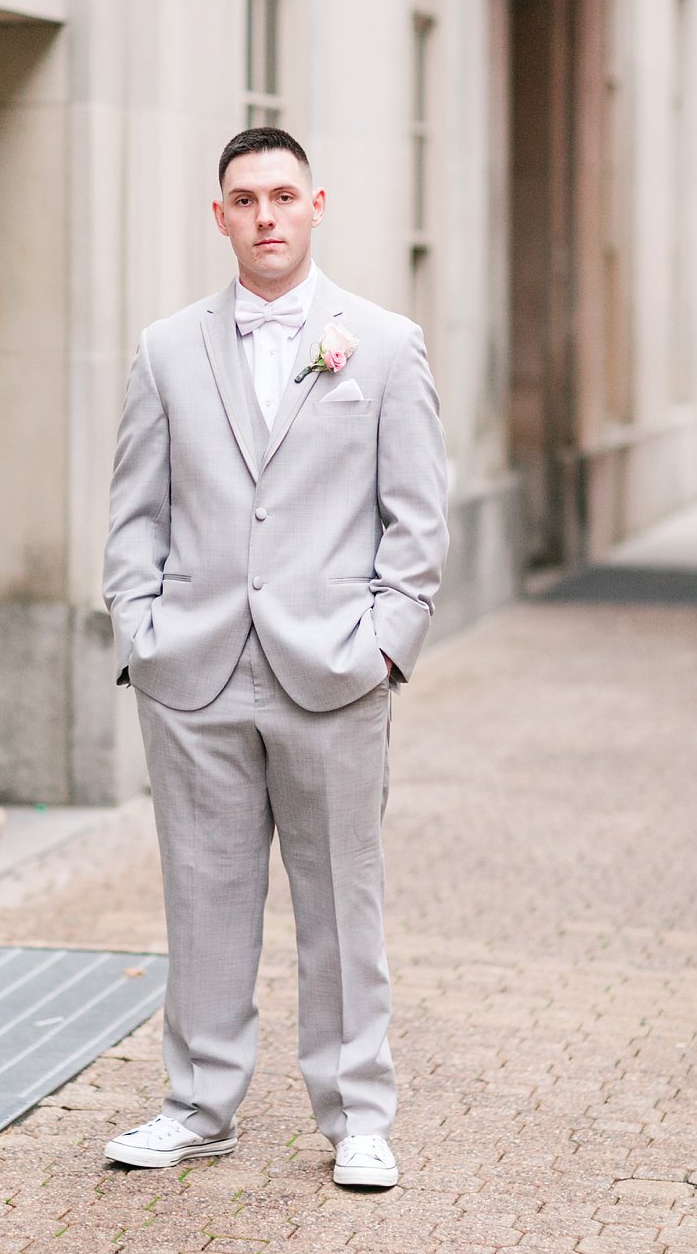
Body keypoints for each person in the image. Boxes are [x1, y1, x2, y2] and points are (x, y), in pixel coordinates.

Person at [100, 127, 449, 1189]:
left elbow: (418, 523)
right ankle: (199, 1105)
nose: (263, 215)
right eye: (243, 199)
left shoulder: (382, 345)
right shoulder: (166, 349)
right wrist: (143, 634)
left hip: (333, 673)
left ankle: (357, 1118)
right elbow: (133, 514)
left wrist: (383, 650)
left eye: (281, 196)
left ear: (314, 206)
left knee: (342, 900)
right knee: (203, 897)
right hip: (193, 673)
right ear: (219, 216)